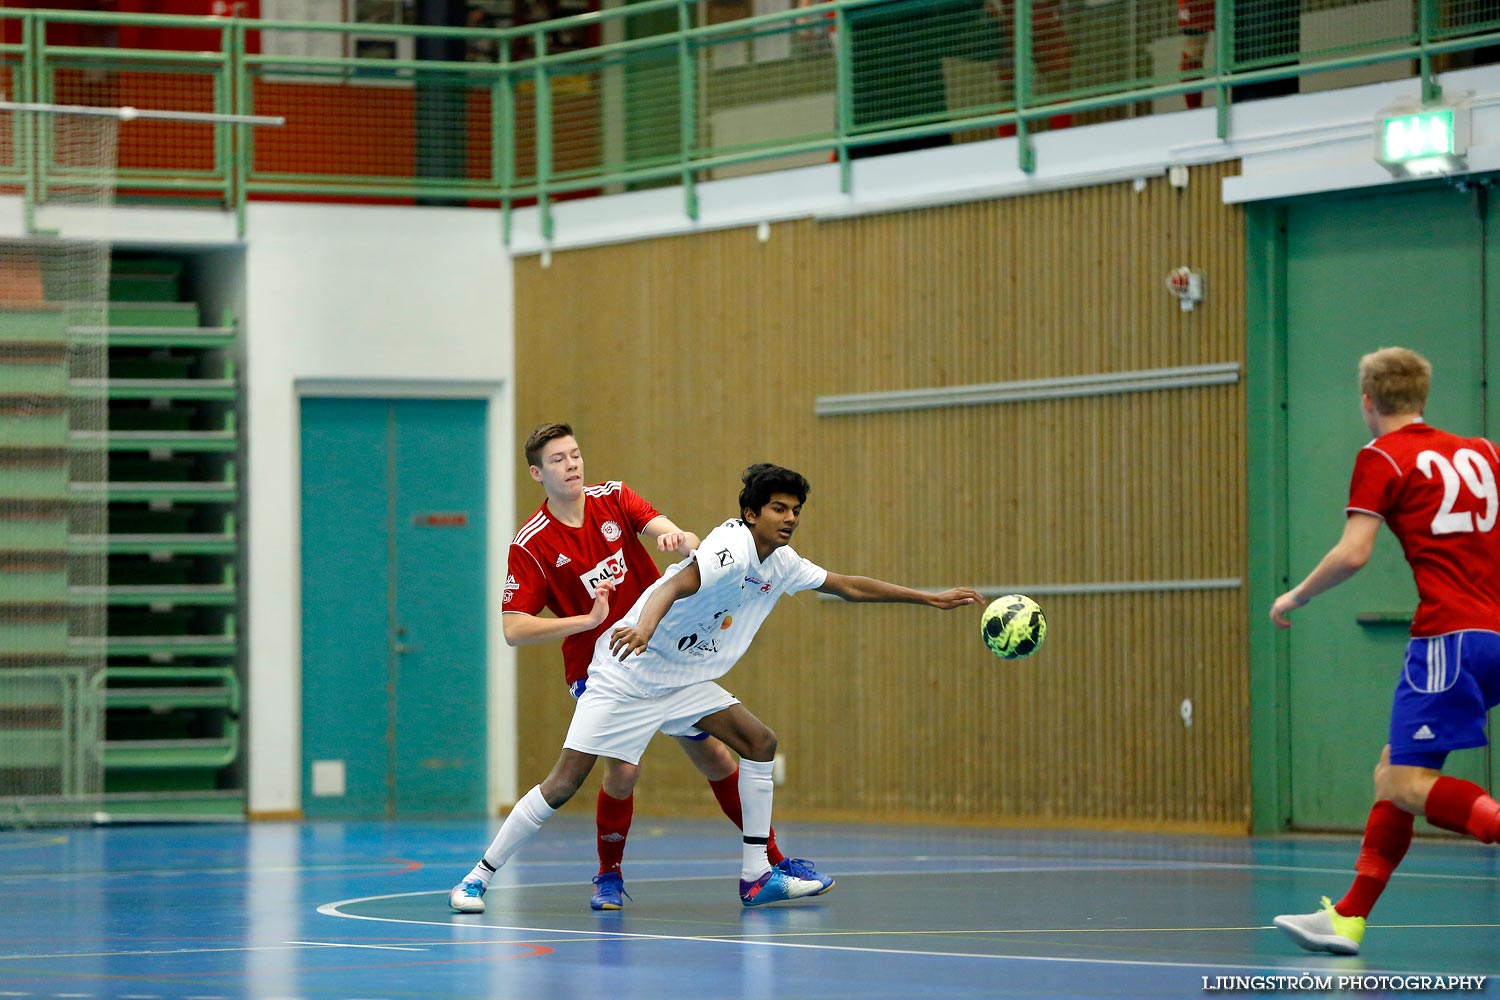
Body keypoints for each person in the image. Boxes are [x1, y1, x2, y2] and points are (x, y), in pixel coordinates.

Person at [450, 463, 982, 910]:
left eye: (795, 510)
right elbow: (676, 583)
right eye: (778, 508)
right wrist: (643, 627)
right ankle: (478, 875)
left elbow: (846, 585)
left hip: (683, 681)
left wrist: (928, 598)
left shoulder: (783, 562)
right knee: (564, 783)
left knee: (758, 742)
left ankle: (757, 875)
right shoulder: (730, 546)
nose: (790, 518)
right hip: (627, 676)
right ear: (752, 513)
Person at [470, 424, 828, 913]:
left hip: (665, 659)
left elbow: (667, 532)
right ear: (537, 473)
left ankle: (768, 863)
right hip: (602, 671)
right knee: (622, 770)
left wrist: (679, 539)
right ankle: (606, 876)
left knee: (723, 757)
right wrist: (588, 620)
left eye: (575, 454)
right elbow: (513, 628)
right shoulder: (531, 543)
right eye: (558, 459)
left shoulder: (613, 498)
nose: (572, 464)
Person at [1270, 347, 1500, 956]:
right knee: (1390, 771)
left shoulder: (1381, 457)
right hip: (1494, 634)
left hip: (1448, 639)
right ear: (1423, 396)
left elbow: (1353, 552)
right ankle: (1348, 918)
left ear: (1367, 402)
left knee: (1406, 784)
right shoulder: (1484, 451)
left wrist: (1295, 596)